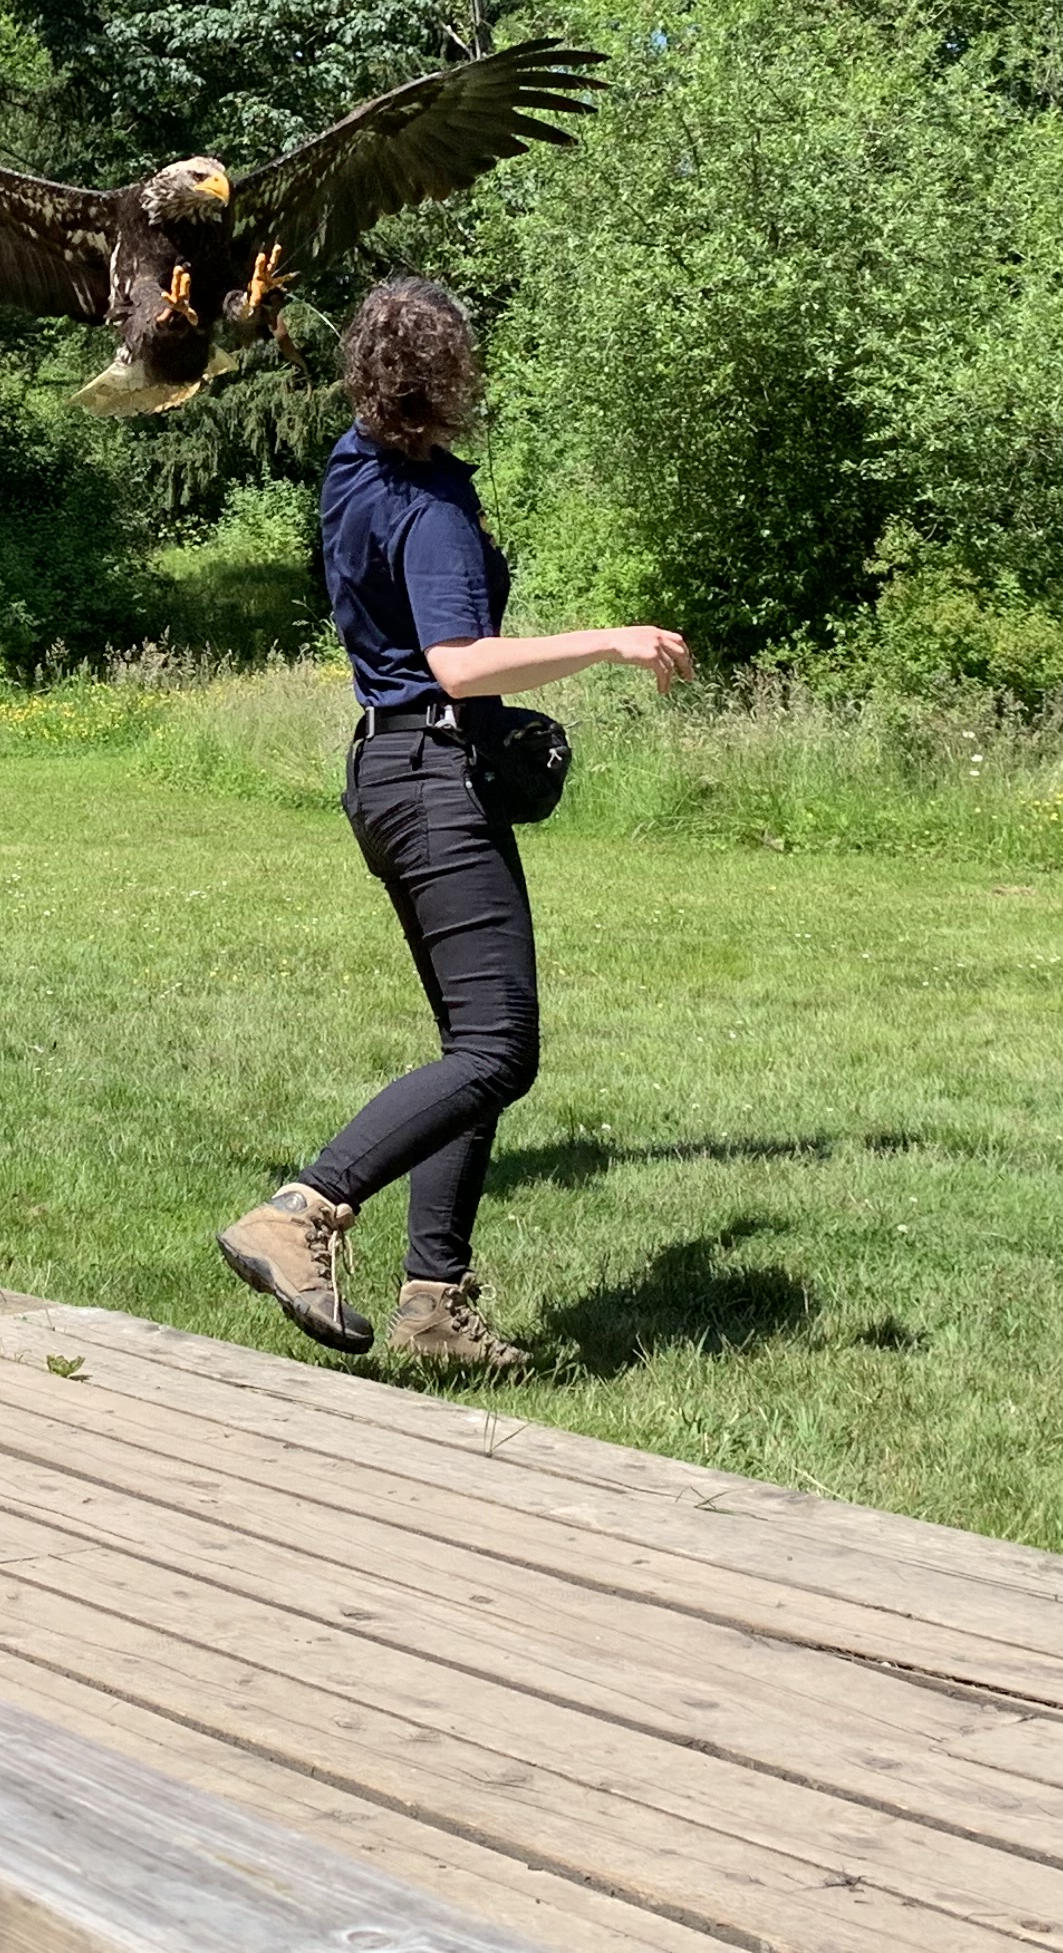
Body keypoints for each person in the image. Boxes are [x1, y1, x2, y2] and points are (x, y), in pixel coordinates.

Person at [217, 276, 691, 1369]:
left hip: (391, 774)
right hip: (432, 781)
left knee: (472, 1050)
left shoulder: (354, 468)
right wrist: (612, 641)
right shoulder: (428, 508)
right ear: (453, 377)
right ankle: (303, 1210)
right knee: (499, 1050)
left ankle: (434, 1304)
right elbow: (461, 663)